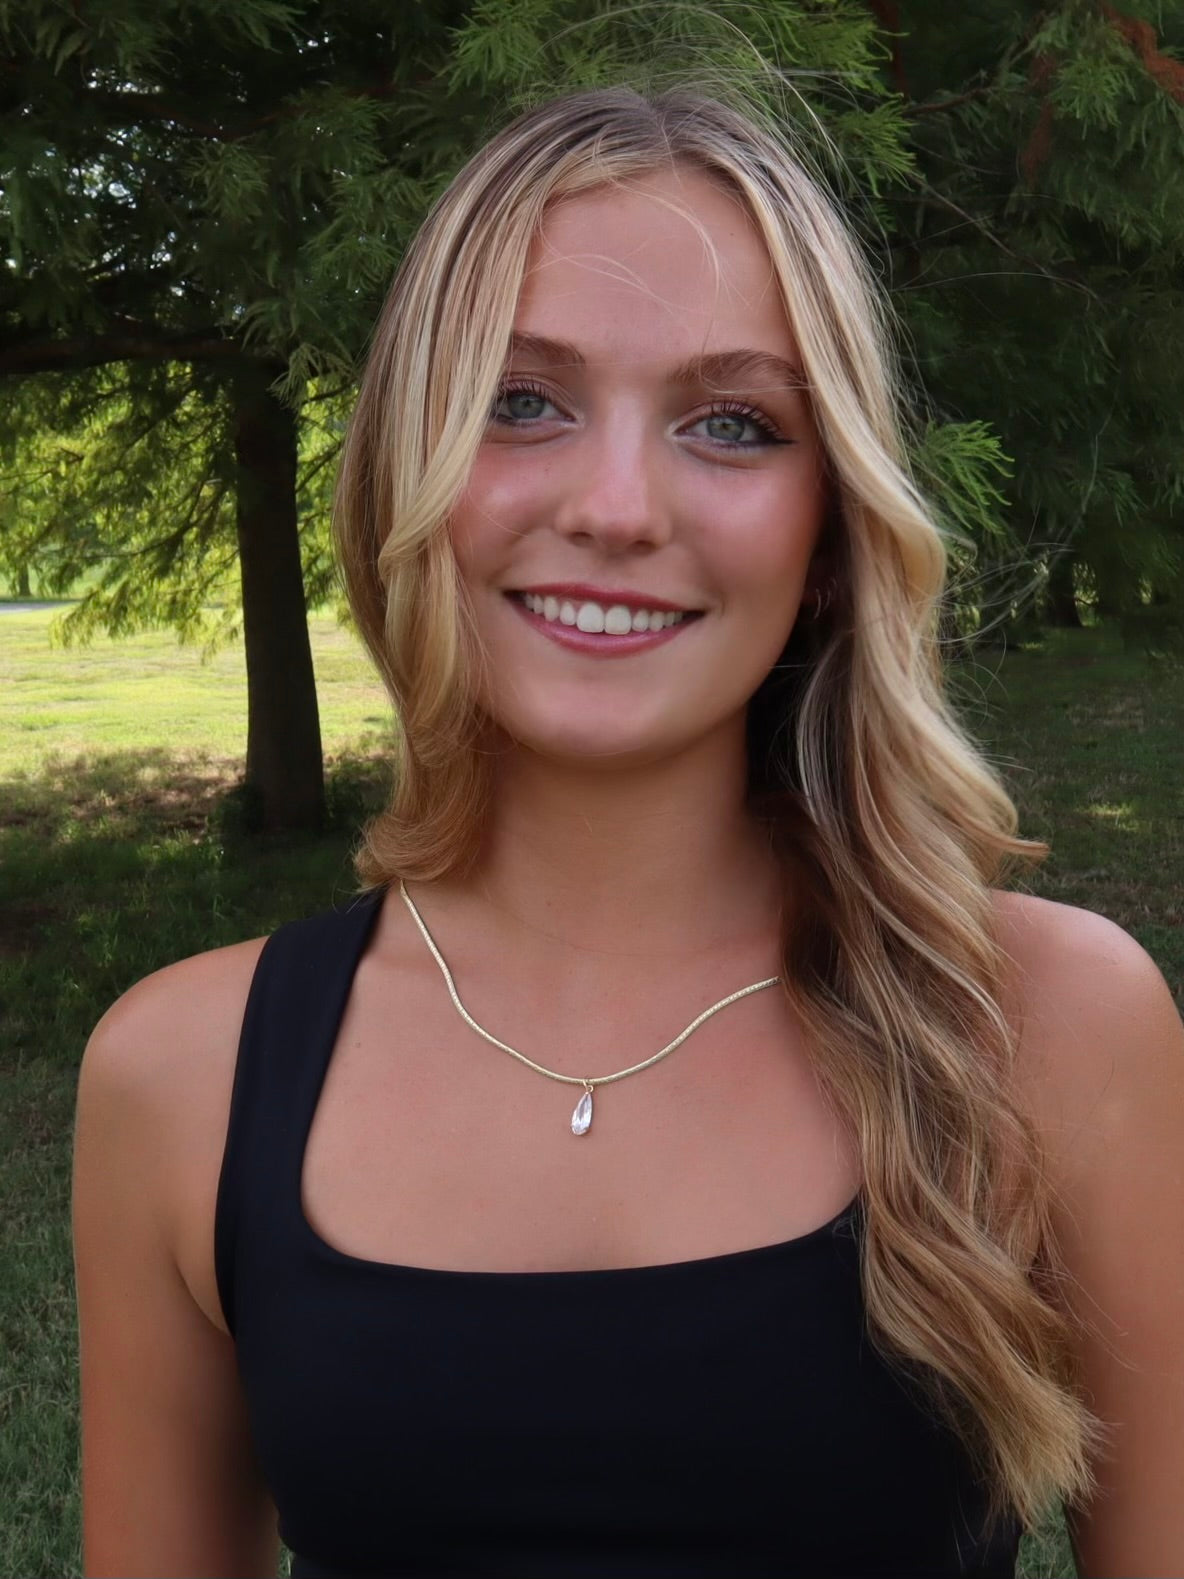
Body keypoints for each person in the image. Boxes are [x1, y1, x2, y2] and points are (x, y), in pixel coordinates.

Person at [73, 83, 1184, 1579]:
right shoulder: (180, 1079)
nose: (614, 506)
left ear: (831, 527)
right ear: (415, 466)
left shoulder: (1049, 1028)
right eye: (523, 401)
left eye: (732, 423)